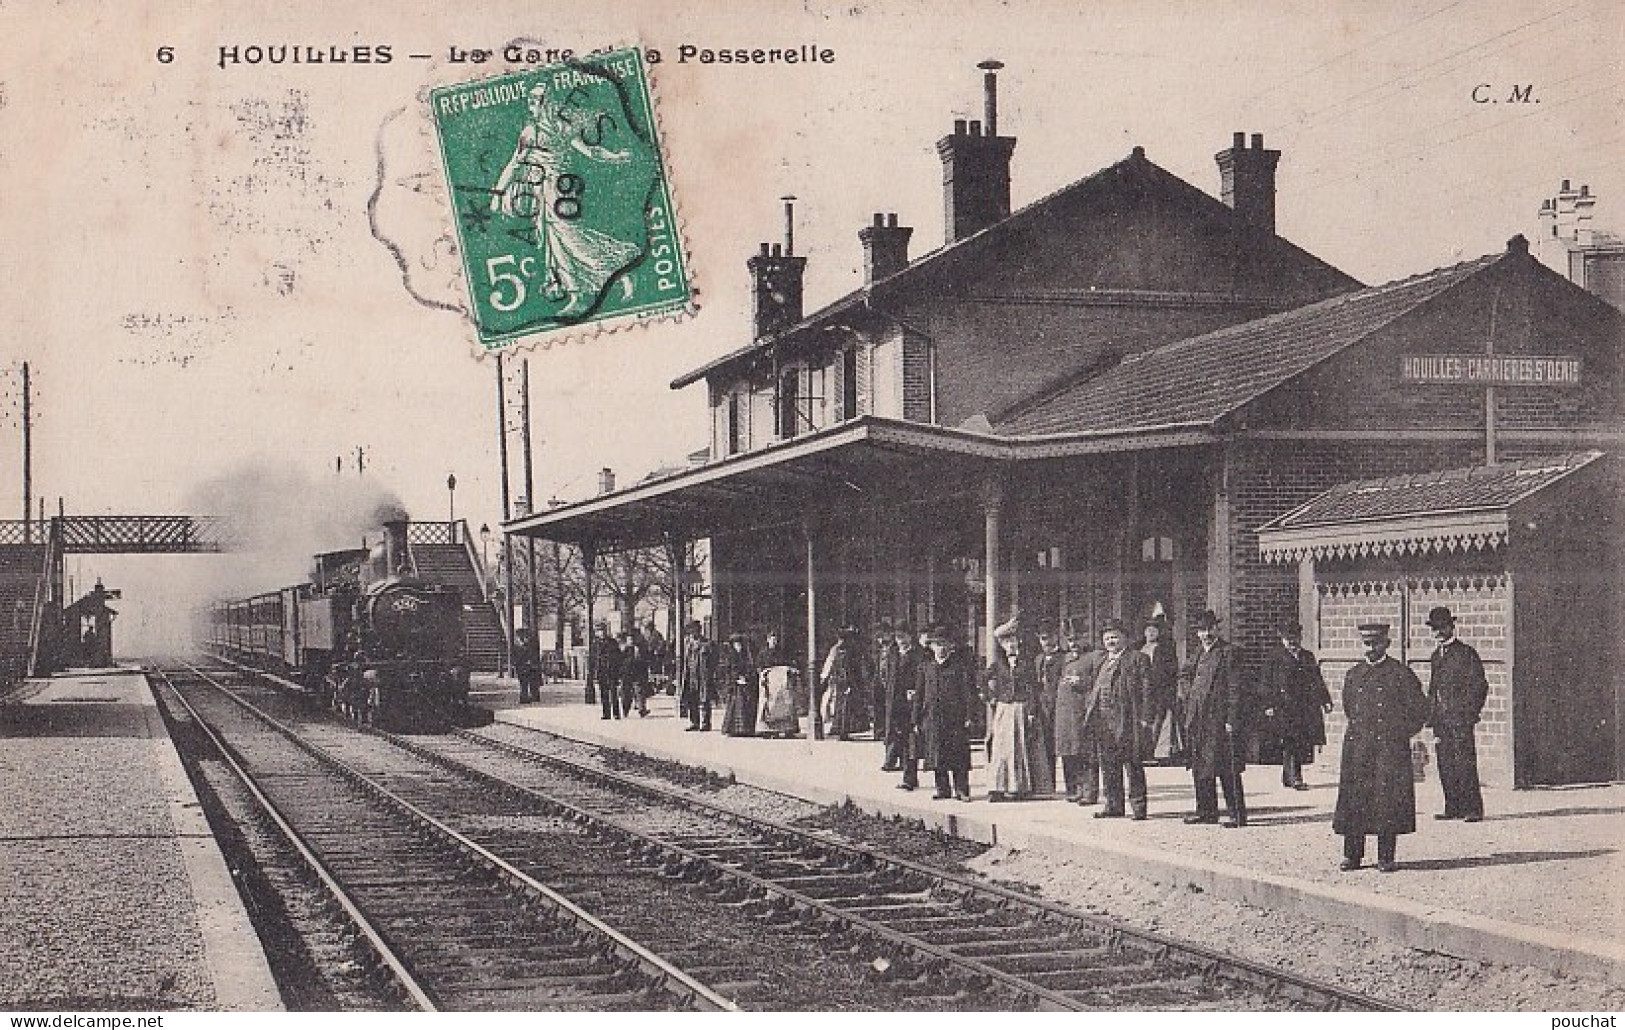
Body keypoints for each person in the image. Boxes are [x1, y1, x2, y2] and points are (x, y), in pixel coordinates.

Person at [490, 83, 640, 317]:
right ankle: (606, 277)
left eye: (537, 99)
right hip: (549, 189)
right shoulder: (540, 130)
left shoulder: (552, 129)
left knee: (568, 237)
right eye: (530, 99)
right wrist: (499, 192)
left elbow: (591, 151)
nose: (532, 104)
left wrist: (616, 158)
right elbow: (516, 162)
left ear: (549, 102)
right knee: (558, 239)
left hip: (558, 189)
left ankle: (594, 285)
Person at [1334, 622, 1430, 872]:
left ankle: (1386, 856)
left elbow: (1419, 710)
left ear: (1386, 644)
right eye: (1366, 643)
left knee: (1386, 801)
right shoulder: (1354, 674)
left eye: (1375, 643)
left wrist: (1398, 734)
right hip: (1358, 748)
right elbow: (1348, 707)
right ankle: (1352, 855)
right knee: (1356, 800)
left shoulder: (1400, 674)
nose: (1370, 648)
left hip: (1389, 749)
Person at [1076, 619, 1155, 819]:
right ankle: (1114, 806)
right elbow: (1096, 687)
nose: (1111, 641)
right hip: (1102, 721)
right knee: (1108, 764)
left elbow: (1148, 690)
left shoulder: (1138, 658)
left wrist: (1146, 717)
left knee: (1132, 763)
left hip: (1127, 719)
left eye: (1115, 637)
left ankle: (1138, 807)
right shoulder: (1102, 662)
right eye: (1107, 638)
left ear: (1125, 639)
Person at [1179, 610, 1248, 827]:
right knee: (1201, 766)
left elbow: (1237, 689)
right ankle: (1206, 812)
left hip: (1219, 720)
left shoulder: (1229, 653)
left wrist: (1231, 719)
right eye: (1201, 630)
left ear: (1217, 629)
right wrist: (1191, 694)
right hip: (1198, 719)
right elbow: (1184, 675)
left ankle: (1237, 815)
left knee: (1227, 767)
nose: (1205, 634)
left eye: (1209, 629)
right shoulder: (1198, 653)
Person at [1425, 606, 1489, 822]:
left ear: (1451, 627)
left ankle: (1473, 809)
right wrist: (1431, 716)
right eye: (1434, 629)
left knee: (1464, 762)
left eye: (1442, 627)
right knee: (1445, 763)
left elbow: (1479, 686)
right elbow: (1433, 688)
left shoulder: (1466, 654)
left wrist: (1470, 712)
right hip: (1441, 720)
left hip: (1461, 719)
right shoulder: (1436, 656)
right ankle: (1453, 806)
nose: (1438, 632)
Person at [1259, 619, 1332, 789]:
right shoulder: (1275, 658)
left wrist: (1325, 700)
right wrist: (1268, 704)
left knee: (1299, 741)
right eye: (1287, 638)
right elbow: (1265, 683)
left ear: (1300, 638)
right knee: (1289, 741)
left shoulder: (1307, 657)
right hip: (1284, 707)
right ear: (1282, 639)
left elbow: (1317, 680)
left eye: (1295, 637)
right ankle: (1294, 777)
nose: (1292, 641)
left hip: (1304, 707)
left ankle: (1289, 775)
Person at [917, 623, 975, 801]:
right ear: (931, 646)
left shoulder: (959, 668)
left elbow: (968, 694)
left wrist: (969, 716)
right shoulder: (926, 668)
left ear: (950, 647)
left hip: (954, 719)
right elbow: (920, 694)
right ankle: (942, 789)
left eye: (944, 644)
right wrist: (916, 719)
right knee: (937, 755)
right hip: (932, 717)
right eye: (937, 644)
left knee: (958, 754)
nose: (940, 648)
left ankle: (961, 789)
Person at [984, 615, 1036, 802]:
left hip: (1020, 707)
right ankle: (997, 788)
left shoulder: (1026, 663)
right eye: (1007, 642)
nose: (1011, 645)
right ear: (1002, 645)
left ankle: (1017, 788)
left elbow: (1031, 687)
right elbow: (982, 680)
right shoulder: (998, 664)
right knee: (1000, 747)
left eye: (1013, 641)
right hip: (1004, 707)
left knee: (1018, 747)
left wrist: (1030, 710)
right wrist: (991, 697)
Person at [1054, 619, 1101, 805]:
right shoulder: (1065, 658)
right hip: (1065, 713)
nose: (1073, 643)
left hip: (1083, 711)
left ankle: (1089, 792)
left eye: (1077, 639)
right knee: (1068, 751)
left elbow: (1099, 683)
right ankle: (1073, 789)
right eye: (1070, 639)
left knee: (1086, 753)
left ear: (1085, 637)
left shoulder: (1094, 656)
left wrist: (1081, 681)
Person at [1028, 622, 1064, 796]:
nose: (1046, 642)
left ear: (1056, 637)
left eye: (1049, 638)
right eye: (1043, 639)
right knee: (1044, 747)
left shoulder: (1064, 658)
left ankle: (1074, 786)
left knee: (1063, 746)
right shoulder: (1038, 659)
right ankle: (1047, 786)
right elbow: (1034, 685)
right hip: (1042, 707)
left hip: (1060, 706)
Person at [1141, 617, 1181, 763]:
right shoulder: (1140, 649)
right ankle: (1143, 751)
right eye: (1148, 630)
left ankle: (1154, 751)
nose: (1151, 633)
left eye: (1154, 630)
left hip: (1158, 691)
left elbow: (1171, 671)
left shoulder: (1165, 650)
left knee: (1158, 720)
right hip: (1142, 690)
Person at [892, 624, 926, 790]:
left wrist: (915, 691)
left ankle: (910, 778)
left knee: (911, 741)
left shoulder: (918, 655)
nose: (900, 641)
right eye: (897, 638)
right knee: (903, 740)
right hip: (897, 704)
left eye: (903, 637)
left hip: (913, 704)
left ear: (909, 637)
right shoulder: (895, 655)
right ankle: (909, 776)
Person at [821, 626, 869, 741]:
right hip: (845, 681)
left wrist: (824, 677)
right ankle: (842, 731)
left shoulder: (837, 649)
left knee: (840, 705)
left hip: (839, 681)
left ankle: (838, 728)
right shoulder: (848, 650)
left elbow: (829, 664)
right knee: (844, 707)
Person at [757, 630, 800, 738]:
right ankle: (768, 730)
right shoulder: (763, 653)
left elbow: (787, 663)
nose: (774, 641)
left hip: (781, 683)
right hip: (769, 683)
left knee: (785, 704)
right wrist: (763, 674)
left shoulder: (782, 652)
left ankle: (787, 729)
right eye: (772, 639)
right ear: (768, 640)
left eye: (775, 639)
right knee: (768, 705)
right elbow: (759, 667)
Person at [718, 632, 759, 736]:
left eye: (740, 644)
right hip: (735, 685)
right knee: (735, 706)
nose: (738, 647)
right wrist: (736, 679)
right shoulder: (730, 657)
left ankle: (746, 729)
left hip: (745, 682)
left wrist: (746, 677)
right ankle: (734, 730)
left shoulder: (746, 656)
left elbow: (749, 668)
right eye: (736, 644)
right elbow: (728, 671)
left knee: (746, 705)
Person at [678, 620, 716, 732]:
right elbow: (686, 662)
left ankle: (705, 723)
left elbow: (713, 661)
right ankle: (694, 722)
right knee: (691, 699)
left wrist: (710, 673)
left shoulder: (707, 644)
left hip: (703, 675)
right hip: (691, 676)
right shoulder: (688, 645)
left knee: (704, 700)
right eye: (690, 633)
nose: (692, 635)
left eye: (694, 632)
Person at [875, 621, 902, 768]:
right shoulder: (884, 649)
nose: (880, 640)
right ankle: (890, 759)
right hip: (886, 691)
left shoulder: (895, 649)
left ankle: (891, 760)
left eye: (882, 635)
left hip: (895, 692)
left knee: (894, 728)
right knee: (890, 727)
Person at [618, 629, 650, 718]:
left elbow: (644, 661)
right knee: (626, 693)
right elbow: (619, 661)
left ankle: (642, 710)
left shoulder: (638, 649)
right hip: (626, 674)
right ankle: (625, 710)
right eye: (629, 639)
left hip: (637, 674)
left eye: (632, 639)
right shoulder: (623, 649)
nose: (631, 641)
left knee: (639, 692)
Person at [595, 625, 624, 720]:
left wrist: (618, 670)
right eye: (599, 631)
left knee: (613, 693)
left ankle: (616, 713)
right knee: (604, 693)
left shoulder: (612, 642)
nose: (601, 633)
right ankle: (606, 713)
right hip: (602, 671)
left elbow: (618, 657)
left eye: (602, 630)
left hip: (611, 671)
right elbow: (595, 658)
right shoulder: (596, 643)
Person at [513, 626, 543, 704]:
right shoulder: (519, 645)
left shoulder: (530, 644)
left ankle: (532, 696)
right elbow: (516, 656)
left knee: (531, 681)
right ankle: (525, 697)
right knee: (524, 682)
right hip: (523, 665)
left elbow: (534, 654)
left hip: (529, 665)